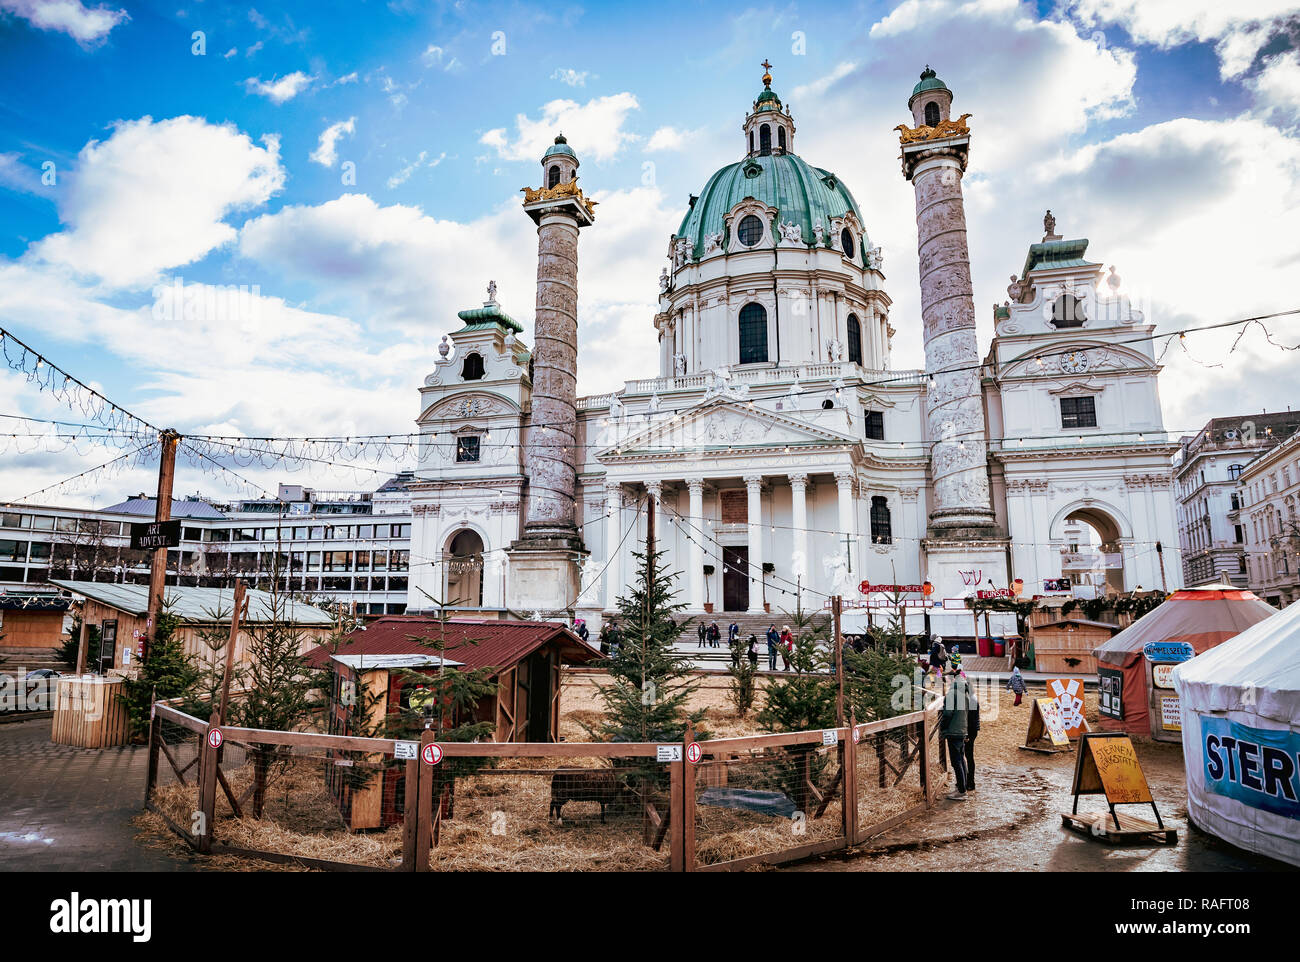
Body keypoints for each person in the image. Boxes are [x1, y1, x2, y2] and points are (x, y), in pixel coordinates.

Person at [940, 668, 971, 801]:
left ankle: (962, 791)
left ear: (952, 679)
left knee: (956, 761)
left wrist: (943, 727)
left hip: (954, 730)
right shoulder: (964, 690)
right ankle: (961, 786)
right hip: (962, 729)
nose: (947, 683)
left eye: (947, 680)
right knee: (961, 759)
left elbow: (948, 713)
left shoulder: (953, 693)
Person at [964, 688, 980, 794]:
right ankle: (968, 779)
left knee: (969, 756)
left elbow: (970, 719)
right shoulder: (972, 698)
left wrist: (967, 734)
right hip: (972, 730)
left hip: (970, 731)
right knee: (968, 756)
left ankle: (971, 782)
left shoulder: (971, 701)